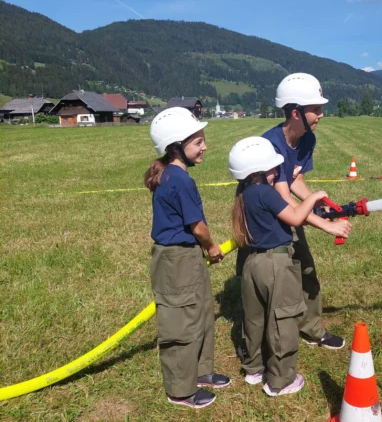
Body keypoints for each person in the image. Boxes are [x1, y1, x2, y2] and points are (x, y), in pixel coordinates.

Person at [236, 73, 352, 351]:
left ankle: (312, 330)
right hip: (262, 217)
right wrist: (326, 225)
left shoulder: (307, 139)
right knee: (260, 278)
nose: (321, 115)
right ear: (296, 112)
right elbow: (284, 200)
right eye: (316, 109)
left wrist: (318, 203)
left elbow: (294, 178)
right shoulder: (270, 145)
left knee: (305, 267)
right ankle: (255, 341)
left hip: (285, 207)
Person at [144, 107, 230, 409]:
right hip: (176, 260)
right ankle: (180, 390)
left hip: (187, 256)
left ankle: (202, 372)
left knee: (202, 311)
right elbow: (198, 227)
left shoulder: (175, 175)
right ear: (176, 147)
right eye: (197, 142)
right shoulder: (179, 180)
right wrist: (212, 247)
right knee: (181, 322)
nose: (204, 147)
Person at [229, 136, 329, 396]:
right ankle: (281, 381)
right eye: (273, 168)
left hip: (252, 263)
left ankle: (253, 369)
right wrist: (313, 197)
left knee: (254, 319)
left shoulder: (244, 194)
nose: (276, 172)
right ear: (257, 172)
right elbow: (295, 217)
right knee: (283, 319)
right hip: (277, 264)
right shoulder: (266, 193)